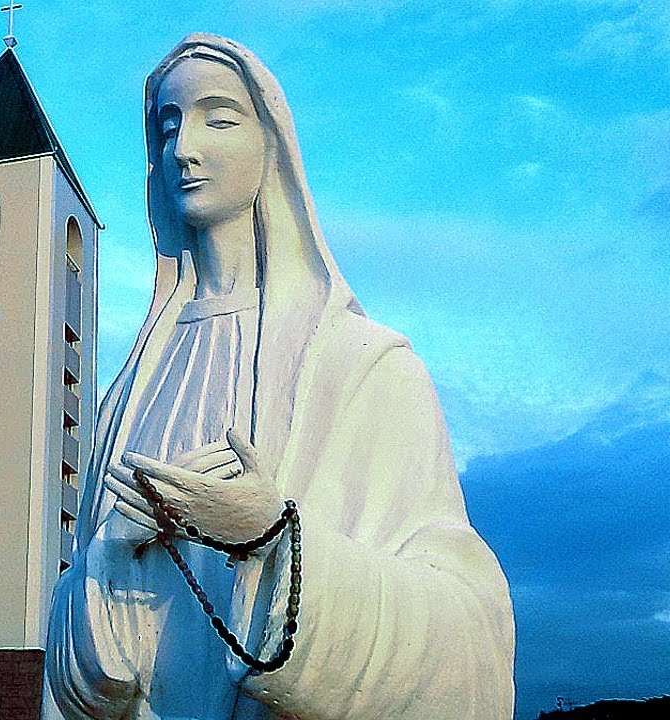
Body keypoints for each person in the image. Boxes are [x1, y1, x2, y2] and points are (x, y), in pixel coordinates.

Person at [44, 34, 514, 720]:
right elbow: (76, 685)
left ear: (273, 146)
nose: (184, 148)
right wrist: (109, 559)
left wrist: (274, 538)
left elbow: (473, 646)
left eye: (218, 118)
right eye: (169, 124)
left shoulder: (364, 367)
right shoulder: (127, 396)